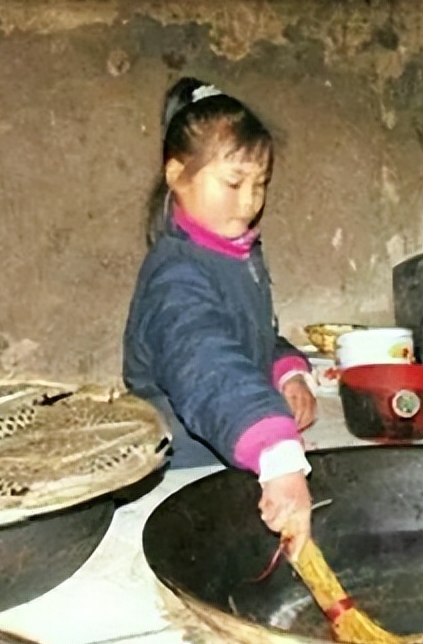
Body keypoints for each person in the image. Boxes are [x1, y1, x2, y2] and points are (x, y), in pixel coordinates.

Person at [122, 77, 317, 557]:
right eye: (233, 183)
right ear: (176, 174)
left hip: (230, 449)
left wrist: (286, 371)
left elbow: (249, 335)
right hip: (178, 474)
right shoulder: (175, 276)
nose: (249, 201)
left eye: (260, 184)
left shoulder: (235, 256)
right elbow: (206, 361)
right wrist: (276, 453)